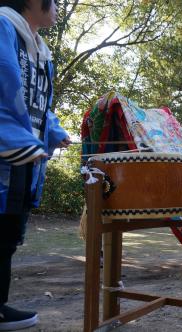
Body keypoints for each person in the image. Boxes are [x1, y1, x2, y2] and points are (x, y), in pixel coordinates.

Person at [0, 1, 69, 330]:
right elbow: (3, 87)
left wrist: (53, 131)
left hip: (23, 158)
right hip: (7, 152)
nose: (56, 7)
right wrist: (17, 138)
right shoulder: (2, 26)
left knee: (9, 232)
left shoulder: (40, 50)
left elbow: (39, 105)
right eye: (53, 1)